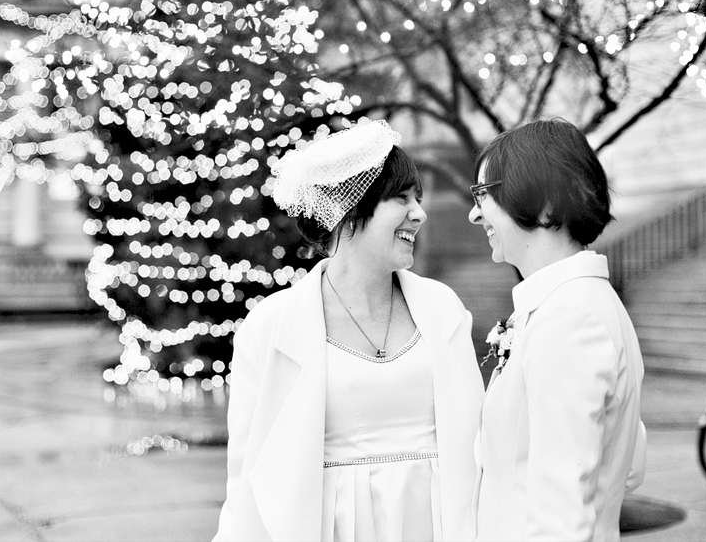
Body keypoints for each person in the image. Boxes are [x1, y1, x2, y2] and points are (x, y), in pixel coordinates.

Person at [213, 120, 485, 542]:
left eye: (419, 198)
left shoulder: (444, 308)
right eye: (401, 198)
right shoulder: (270, 326)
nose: (420, 213)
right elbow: (250, 477)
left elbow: (480, 447)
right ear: (350, 207)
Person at [469, 119, 647, 542]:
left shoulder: (571, 320)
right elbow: (630, 465)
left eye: (483, 193)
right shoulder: (574, 306)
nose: (474, 214)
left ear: (545, 203)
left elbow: (561, 519)